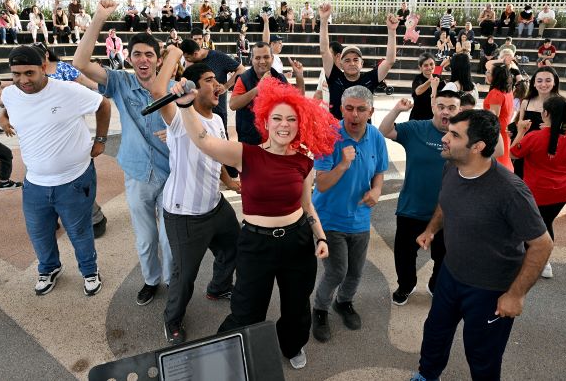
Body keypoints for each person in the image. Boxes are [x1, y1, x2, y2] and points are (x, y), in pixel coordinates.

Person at [173, 76, 337, 369]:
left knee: (297, 305)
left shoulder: (304, 161)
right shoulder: (245, 154)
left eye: (291, 119)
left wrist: (320, 236)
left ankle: (292, 344)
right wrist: (186, 107)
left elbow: (307, 204)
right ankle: (229, 351)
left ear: (299, 124)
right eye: (277, 118)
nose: (284, 125)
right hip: (256, 243)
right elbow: (204, 141)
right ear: (266, 121)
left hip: (298, 241)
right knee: (247, 308)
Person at [410, 109, 553, 381]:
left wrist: (516, 295)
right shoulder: (452, 167)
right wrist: (431, 229)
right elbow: (446, 201)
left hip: (490, 288)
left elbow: (542, 245)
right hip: (451, 273)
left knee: (482, 354)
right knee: (435, 332)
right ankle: (427, 375)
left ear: (477, 147)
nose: (444, 139)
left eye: (454, 135)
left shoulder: (510, 191)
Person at [74, 0, 176, 306]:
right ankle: (151, 280)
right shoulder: (119, 82)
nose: (143, 59)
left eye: (149, 54)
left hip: (172, 174)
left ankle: (171, 282)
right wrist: (99, 17)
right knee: (146, 238)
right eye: (137, 54)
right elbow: (80, 63)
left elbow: (193, 123)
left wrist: (176, 131)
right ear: (129, 58)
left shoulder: (173, 87)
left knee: (169, 239)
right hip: (137, 174)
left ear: (158, 60)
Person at [1, 45, 111, 296]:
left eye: (29, 73)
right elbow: (10, 107)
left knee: (79, 231)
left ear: (43, 67)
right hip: (34, 183)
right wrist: (3, 118)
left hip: (74, 180)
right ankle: (49, 268)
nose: (23, 80)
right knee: (39, 233)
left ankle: (89, 270)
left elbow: (103, 105)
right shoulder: (10, 94)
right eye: (16, 74)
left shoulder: (68, 90)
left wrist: (101, 140)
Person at [150, 54, 241, 345]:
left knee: (234, 246)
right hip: (185, 214)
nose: (218, 85)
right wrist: (174, 53)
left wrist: (230, 182)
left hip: (215, 205)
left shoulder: (217, 119)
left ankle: (218, 287)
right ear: (192, 87)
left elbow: (218, 156)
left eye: (217, 80)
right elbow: (157, 90)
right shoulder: (180, 117)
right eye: (209, 80)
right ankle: (172, 320)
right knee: (184, 275)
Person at [311, 86, 388, 342]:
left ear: (371, 112)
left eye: (361, 109)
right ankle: (320, 309)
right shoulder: (329, 136)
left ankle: (343, 302)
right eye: (349, 108)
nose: (354, 115)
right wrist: (343, 164)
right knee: (337, 271)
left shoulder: (376, 136)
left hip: (360, 219)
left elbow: (379, 171)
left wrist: (376, 190)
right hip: (329, 219)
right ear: (341, 109)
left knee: (355, 271)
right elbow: (321, 184)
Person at [379, 90, 461, 305]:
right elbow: (384, 131)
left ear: (459, 110)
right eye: (441, 106)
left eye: (451, 108)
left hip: (448, 212)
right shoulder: (416, 128)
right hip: (412, 207)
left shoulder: (464, 135)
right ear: (433, 107)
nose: (445, 112)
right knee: (404, 254)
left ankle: (435, 284)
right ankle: (406, 285)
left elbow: (494, 152)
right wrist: (397, 110)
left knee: (445, 256)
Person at [510, 96, 566, 279]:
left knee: (533, 227)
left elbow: (513, 153)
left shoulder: (534, 137)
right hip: (563, 190)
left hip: (538, 191)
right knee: (546, 223)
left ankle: (533, 262)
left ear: (546, 113)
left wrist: (521, 131)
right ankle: (543, 261)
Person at [319, 3, 397, 119]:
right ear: (340, 64)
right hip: (337, 129)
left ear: (362, 63)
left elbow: (390, 61)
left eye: (356, 60)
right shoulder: (334, 77)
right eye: (347, 60)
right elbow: (324, 51)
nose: (352, 63)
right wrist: (324, 20)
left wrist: (392, 31)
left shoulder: (370, 79)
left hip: (363, 130)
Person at [229, 42, 304, 145]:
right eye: (257, 58)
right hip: (251, 142)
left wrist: (299, 76)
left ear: (272, 58)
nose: (262, 61)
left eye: (266, 57)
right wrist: (258, 89)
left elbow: (298, 102)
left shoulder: (280, 77)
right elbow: (233, 104)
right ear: (252, 60)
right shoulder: (244, 78)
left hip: (276, 141)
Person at [179, 38, 245, 135]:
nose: (186, 60)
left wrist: (226, 86)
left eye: (187, 58)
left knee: (221, 138)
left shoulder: (218, 57)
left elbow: (241, 69)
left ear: (195, 54)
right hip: (197, 113)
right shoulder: (191, 64)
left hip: (217, 110)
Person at [513, 66, 562, 178]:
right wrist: (514, 129)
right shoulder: (526, 102)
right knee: (521, 179)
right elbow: (519, 125)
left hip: (546, 152)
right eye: (539, 81)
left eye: (548, 80)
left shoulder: (561, 104)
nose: (543, 84)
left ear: (554, 82)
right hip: (526, 151)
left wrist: (552, 127)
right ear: (534, 83)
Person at [483, 64, 515, 172]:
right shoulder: (508, 91)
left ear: (495, 76)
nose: (486, 74)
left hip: (498, 131)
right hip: (505, 127)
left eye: (489, 72)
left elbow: (493, 117)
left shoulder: (496, 93)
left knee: (499, 160)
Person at [409, 53, 443, 121]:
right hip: (418, 117)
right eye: (426, 65)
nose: (429, 67)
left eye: (431, 64)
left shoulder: (438, 78)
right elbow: (418, 91)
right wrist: (429, 81)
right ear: (420, 67)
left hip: (433, 117)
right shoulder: (418, 78)